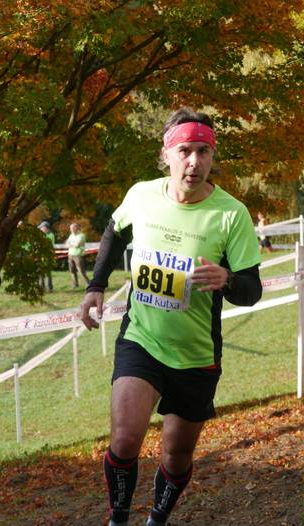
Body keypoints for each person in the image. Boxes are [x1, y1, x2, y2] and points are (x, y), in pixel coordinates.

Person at [79, 107, 262, 526]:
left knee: (176, 455)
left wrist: (227, 280)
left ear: (212, 157)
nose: (194, 161)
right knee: (125, 439)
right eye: (185, 151)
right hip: (142, 339)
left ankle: (157, 519)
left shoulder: (230, 214)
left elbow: (252, 290)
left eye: (203, 152)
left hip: (196, 354)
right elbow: (113, 231)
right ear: (166, 155)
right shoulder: (142, 196)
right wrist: (95, 285)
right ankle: (118, 519)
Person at [66, 222, 90, 288]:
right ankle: (75, 284)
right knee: (72, 270)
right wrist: (71, 245)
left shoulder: (81, 235)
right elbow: (66, 243)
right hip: (70, 255)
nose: (71, 230)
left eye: (72, 228)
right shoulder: (71, 235)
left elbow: (77, 245)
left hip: (78, 255)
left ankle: (88, 283)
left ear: (76, 228)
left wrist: (70, 245)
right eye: (70, 228)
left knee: (81, 270)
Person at [38, 221, 55, 292]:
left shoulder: (50, 235)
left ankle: (50, 288)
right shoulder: (40, 235)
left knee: (48, 273)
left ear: (46, 228)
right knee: (40, 272)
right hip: (40, 256)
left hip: (47, 256)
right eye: (40, 228)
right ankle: (41, 287)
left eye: (42, 228)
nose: (41, 229)